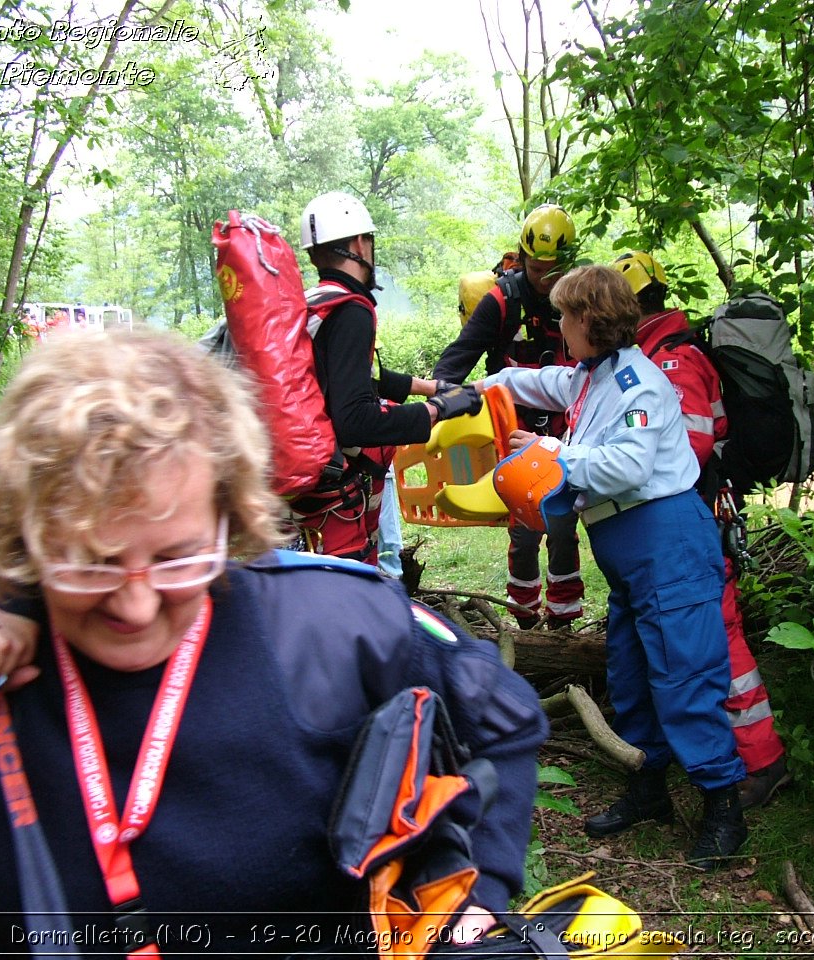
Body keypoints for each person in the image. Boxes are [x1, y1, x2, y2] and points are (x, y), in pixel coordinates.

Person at [0, 329, 546, 956]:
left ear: (228, 517)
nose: (136, 602)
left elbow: (504, 717)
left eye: (179, 557)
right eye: (88, 561)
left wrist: (475, 898)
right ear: (25, 538)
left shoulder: (326, 623)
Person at [476, 265, 749, 868]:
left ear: (590, 320)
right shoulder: (590, 376)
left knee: (685, 676)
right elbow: (547, 381)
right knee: (631, 675)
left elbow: (624, 466)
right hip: (629, 557)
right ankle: (649, 788)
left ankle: (723, 807)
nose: (558, 325)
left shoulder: (640, 384)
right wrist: (489, 386)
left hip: (669, 546)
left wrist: (548, 452)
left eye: (566, 315)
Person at [614, 250, 792, 810]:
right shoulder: (657, 354)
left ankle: (762, 763)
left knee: (722, 640)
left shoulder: (672, 363)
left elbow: (691, 446)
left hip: (694, 521)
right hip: (683, 523)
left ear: (633, 306)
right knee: (697, 639)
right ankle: (692, 756)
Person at [294, 190, 480, 566]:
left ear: (314, 254)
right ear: (361, 244)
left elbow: (360, 377)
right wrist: (437, 410)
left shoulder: (314, 303)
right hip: (333, 490)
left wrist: (432, 388)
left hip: (299, 481)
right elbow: (356, 420)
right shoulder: (350, 310)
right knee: (348, 586)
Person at [433, 204, 584, 629]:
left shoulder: (580, 298)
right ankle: (526, 620)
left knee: (560, 526)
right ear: (523, 259)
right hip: (513, 431)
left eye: (553, 270)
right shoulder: (503, 301)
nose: (545, 278)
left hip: (563, 431)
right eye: (537, 269)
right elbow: (454, 362)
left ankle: (564, 620)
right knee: (523, 531)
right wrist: (443, 406)